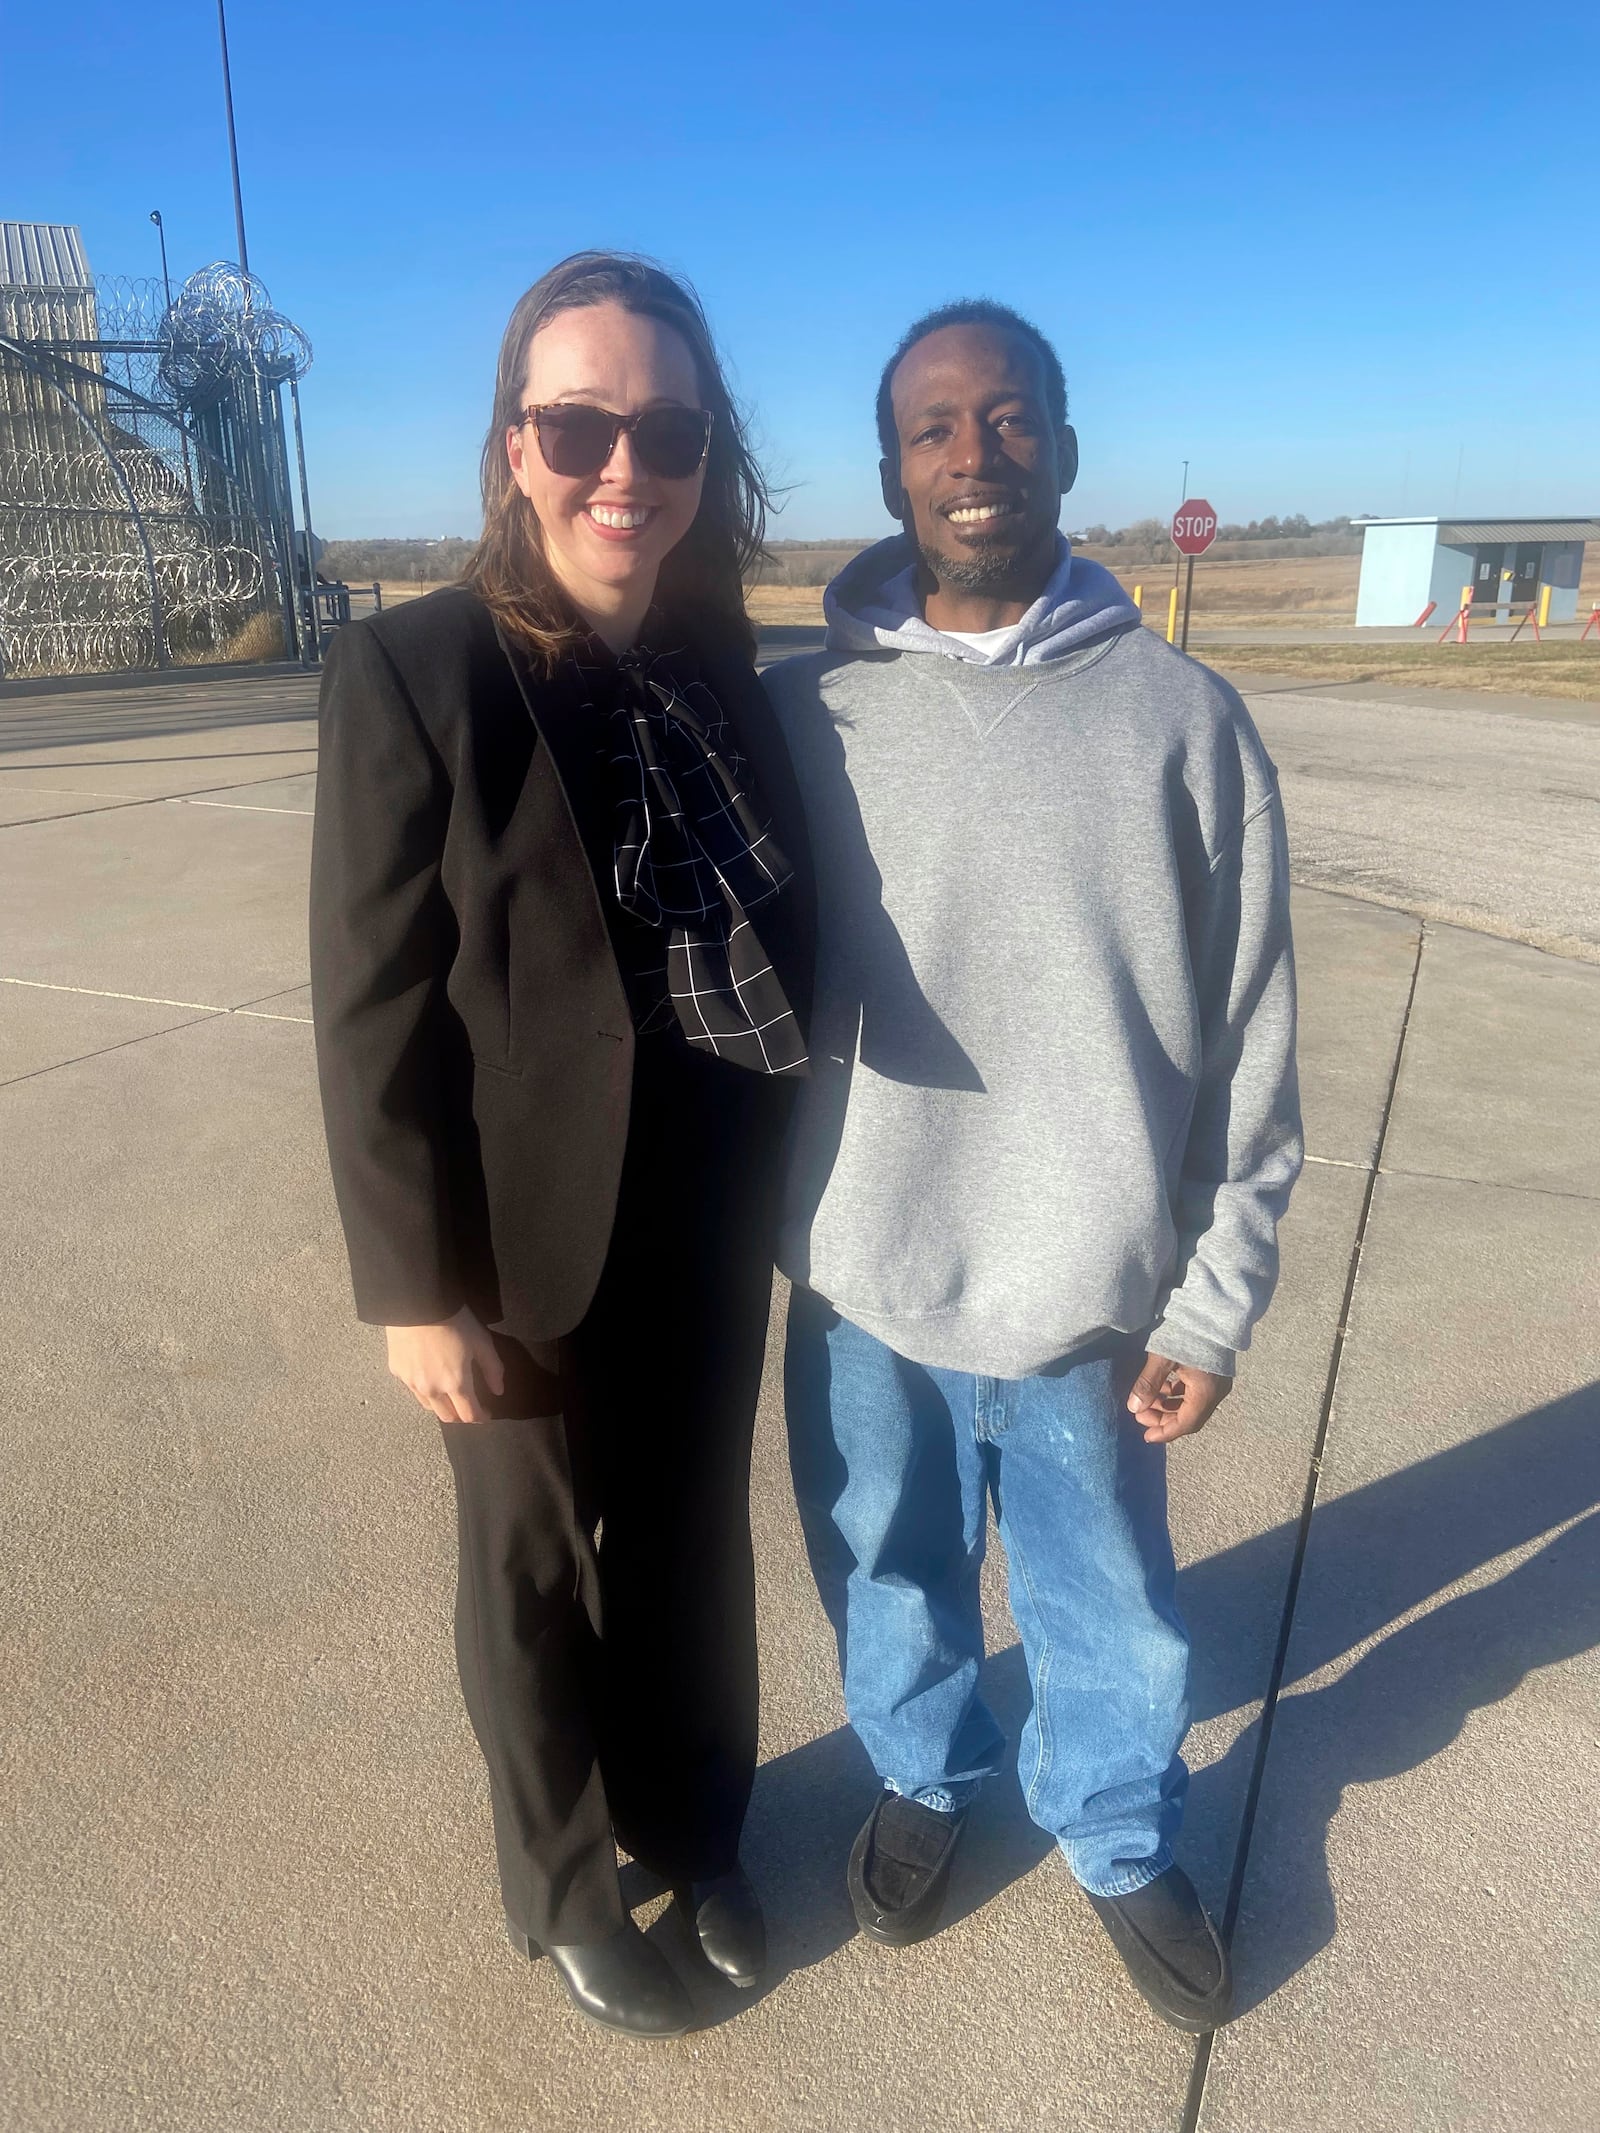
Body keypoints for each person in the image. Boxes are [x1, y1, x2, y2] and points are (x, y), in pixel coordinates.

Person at [763, 300, 1301, 2033]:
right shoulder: (805, 716)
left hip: (1089, 1295)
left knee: (1113, 1604)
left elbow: (1254, 1041)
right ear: (892, 471)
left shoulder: (1186, 723)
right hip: (868, 1285)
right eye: (934, 427)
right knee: (889, 1570)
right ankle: (927, 1776)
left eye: (1008, 419)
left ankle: (1118, 1824)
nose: (972, 454)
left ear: (1065, 444)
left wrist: (1210, 1305)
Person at [309, 253, 812, 2041]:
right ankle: (570, 1880)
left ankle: (700, 1822)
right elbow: (368, 1003)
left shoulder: (722, 662)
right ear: (516, 445)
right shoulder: (415, 669)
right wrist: (410, 1287)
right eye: (581, 424)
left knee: (688, 1540)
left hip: (704, 1202)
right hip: (509, 1237)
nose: (626, 466)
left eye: (664, 428)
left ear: (704, 449)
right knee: (536, 1573)